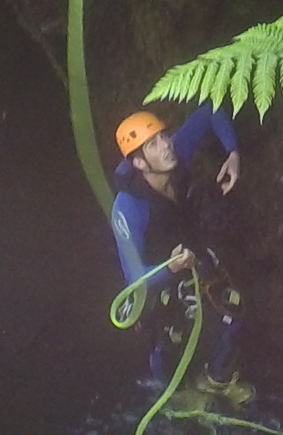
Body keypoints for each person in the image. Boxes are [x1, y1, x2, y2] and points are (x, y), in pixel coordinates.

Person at [111, 106, 249, 404]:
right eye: (154, 145)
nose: (167, 146)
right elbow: (135, 277)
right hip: (156, 275)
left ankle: (216, 379)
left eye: (163, 136)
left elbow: (211, 110)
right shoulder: (128, 208)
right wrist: (170, 268)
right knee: (170, 337)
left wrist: (233, 153)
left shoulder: (173, 158)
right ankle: (174, 395)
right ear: (139, 162)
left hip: (190, 253)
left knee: (233, 312)